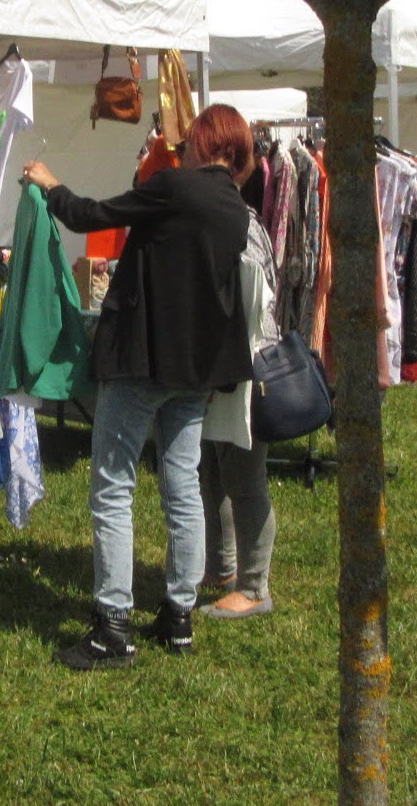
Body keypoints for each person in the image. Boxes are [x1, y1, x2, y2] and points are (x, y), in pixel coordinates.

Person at [22, 103, 255, 669]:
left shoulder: (174, 186)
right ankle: (179, 616)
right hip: (196, 370)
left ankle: (113, 626)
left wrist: (49, 183)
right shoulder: (236, 209)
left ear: (203, 141)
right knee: (181, 484)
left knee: (112, 486)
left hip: (144, 360)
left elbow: (90, 215)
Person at [198, 199, 281, 618]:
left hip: (244, 362)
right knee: (213, 471)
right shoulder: (227, 214)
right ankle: (222, 568)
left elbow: (249, 301)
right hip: (223, 363)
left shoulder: (237, 222)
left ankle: (254, 586)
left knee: (244, 476)